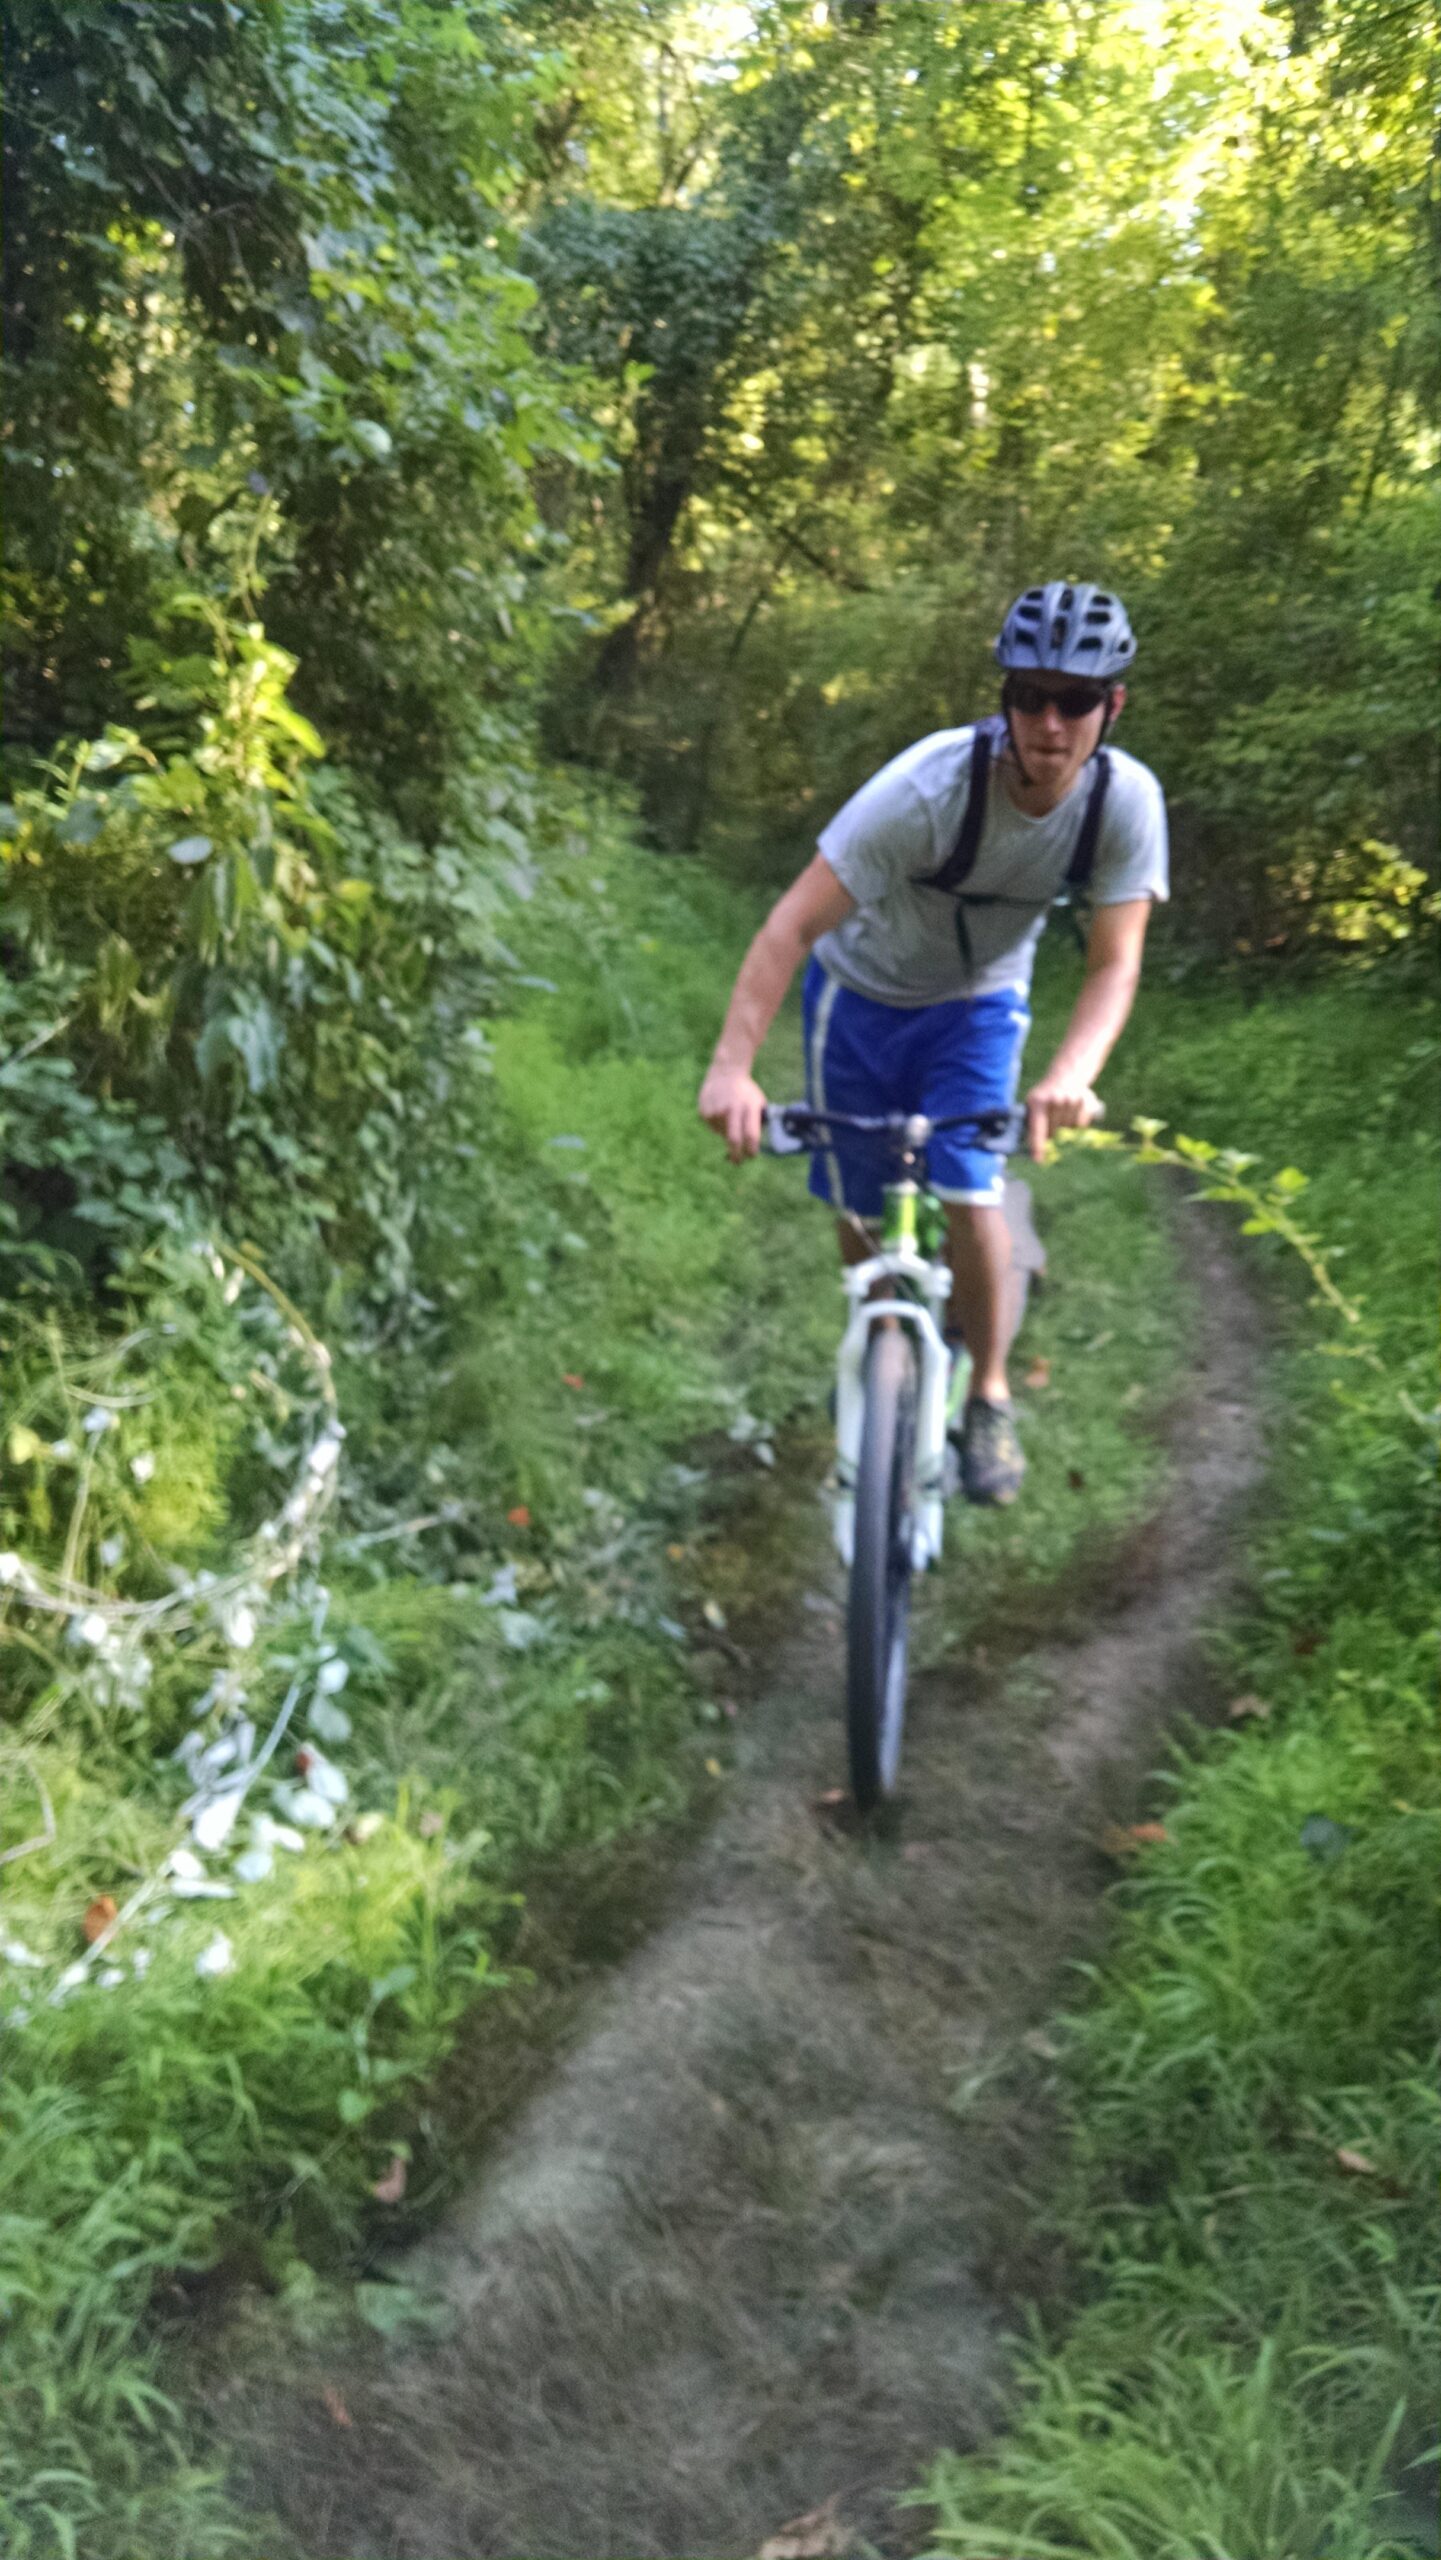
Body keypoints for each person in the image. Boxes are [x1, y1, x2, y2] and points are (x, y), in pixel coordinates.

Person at [697, 579, 1168, 1506]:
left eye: (1074, 700)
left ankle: (985, 1394)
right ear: (1004, 699)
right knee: (858, 1192)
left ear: (1110, 706)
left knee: (967, 1184)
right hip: (860, 992)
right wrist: (730, 1069)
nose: (1048, 720)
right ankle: (879, 1342)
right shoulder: (926, 789)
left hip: (978, 1002)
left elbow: (1115, 964)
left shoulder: (1123, 804)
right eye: (1028, 694)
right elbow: (789, 926)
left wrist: (1068, 1078)